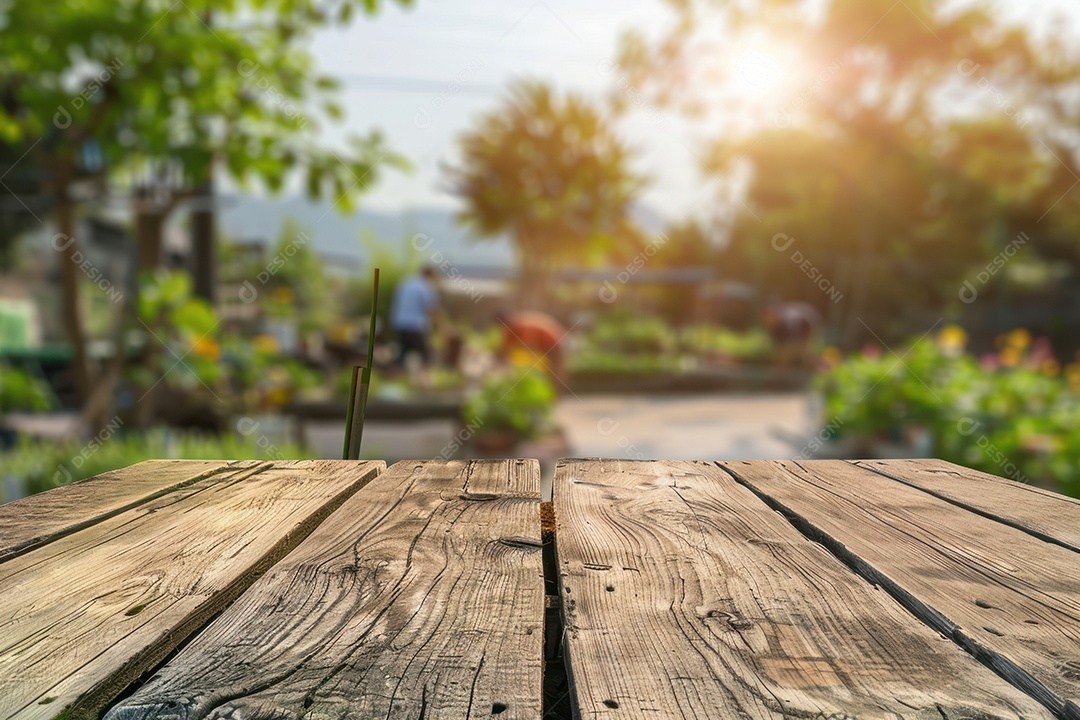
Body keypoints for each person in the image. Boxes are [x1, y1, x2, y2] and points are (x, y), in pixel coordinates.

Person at [496, 310, 567, 386]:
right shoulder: (510, 330)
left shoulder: (523, 324)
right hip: (543, 345)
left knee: (556, 369)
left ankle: (558, 392)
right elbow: (504, 347)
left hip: (554, 342)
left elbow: (529, 344)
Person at [390, 267, 438, 369]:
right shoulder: (425, 286)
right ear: (430, 275)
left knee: (403, 352)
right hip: (415, 325)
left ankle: (399, 376)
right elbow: (429, 307)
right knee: (425, 354)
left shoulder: (406, 282)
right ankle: (423, 379)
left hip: (400, 323)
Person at [763, 298, 822, 368]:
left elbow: (788, 345)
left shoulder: (786, 321)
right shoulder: (774, 326)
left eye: (769, 317)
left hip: (808, 324)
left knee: (804, 354)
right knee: (786, 353)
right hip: (801, 326)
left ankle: (813, 370)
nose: (767, 320)